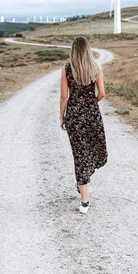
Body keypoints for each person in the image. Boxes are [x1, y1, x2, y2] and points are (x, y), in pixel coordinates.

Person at [59, 36, 108, 213]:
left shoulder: (66, 69)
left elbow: (64, 96)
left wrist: (61, 117)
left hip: (73, 116)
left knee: (79, 154)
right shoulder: (95, 67)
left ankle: (84, 200)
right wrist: (92, 102)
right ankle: (83, 185)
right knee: (94, 150)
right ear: (88, 49)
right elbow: (102, 93)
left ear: (73, 50)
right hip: (92, 115)